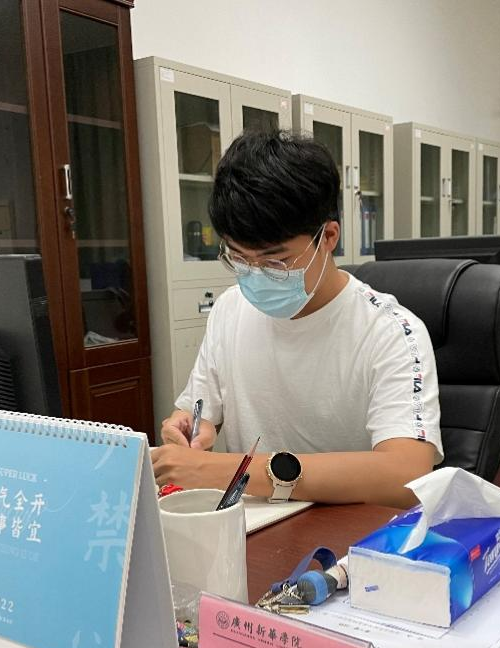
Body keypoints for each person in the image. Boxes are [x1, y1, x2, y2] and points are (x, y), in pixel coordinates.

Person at [150, 131, 442, 508]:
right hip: (252, 526)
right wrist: (191, 428)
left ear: (329, 236)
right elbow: (198, 412)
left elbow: (406, 476)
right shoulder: (229, 309)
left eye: (276, 260)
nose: (255, 273)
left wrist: (216, 469)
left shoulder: (391, 331)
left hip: (346, 532)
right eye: (238, 258)